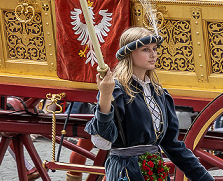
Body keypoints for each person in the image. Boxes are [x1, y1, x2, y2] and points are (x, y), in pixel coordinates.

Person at [86, 27, 213, 181]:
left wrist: (204, 178)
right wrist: (105, 95)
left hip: (155, 170)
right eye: (145, 50)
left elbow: (172, 146)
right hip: (126, 172)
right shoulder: (117, 90)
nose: (153, 54)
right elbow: (103, 142)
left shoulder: (160, 94)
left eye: (154, 49)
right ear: (129, 53)